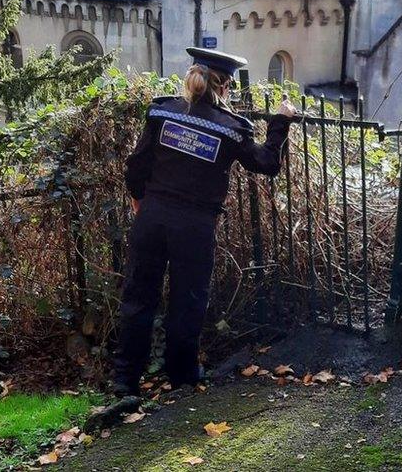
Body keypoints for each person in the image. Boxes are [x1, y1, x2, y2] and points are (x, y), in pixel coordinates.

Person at [112, 47, 297, 396]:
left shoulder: (161, 112)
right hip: (194, 227)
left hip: (151, 218)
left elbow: (137, 164)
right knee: (187, 299)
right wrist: (281, 120)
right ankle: (182, 378)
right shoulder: (231, 128)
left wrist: (140, 199)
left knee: (138, 297)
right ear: (225, 87)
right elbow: (267, 163)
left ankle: (125, 381)